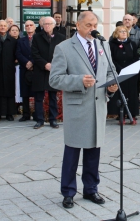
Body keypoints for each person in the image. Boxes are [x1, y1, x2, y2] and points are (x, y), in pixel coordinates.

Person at [49, 11, 117, 209]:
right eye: (88, 25)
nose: (92, 29)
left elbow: (111, 70)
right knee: (72, 152)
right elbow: (54, 79)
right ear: (78, 25)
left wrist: (112, 85)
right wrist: (78, 80)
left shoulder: (103, 44)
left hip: (98, 106)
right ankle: (68, 192)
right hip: (77, 107)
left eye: (95, 24)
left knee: (94, 151)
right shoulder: (64, 48)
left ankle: (91, 189)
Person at [31, 17, 65, 129]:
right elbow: (34, 53)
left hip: (54, 70)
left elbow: (63, 54)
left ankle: (53, 119)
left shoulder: (60, 37)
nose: (47, 26)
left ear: (54, 25)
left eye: (49, 24)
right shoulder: (36, 37)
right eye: (45, 24)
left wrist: (53, 65)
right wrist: (45, 64)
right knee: (39, 97)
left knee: (53, 96)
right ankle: (39, 120)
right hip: (40, 70)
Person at [107, 26, 139, 124]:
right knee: (121, 93)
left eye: (125, 31)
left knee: (132, 94)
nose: (124, 33)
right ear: (116, 33)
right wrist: (119, 68)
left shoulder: (132, 43)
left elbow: (135, 57)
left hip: (130, 73)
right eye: (121, 31)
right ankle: (121, 116)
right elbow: (111, 59)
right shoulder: (112, 44)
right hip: (118, 72)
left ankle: (132, 115)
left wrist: (131, 68)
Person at [0, 20, 17, 121]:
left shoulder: (13, 41)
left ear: (7, 28)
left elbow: (16, 54)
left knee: (9, 91)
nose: (2, 27)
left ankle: (9, 113)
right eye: (0, 26)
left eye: (4, 26)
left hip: (9, 69)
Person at [16, 20, 35, 121]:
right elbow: (18, 53)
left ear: (34, 27)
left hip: (36, 69)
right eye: (27, 25)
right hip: (24, 68)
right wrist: (26, 63)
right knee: (25, 92)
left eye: (31, 25)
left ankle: (37, 113)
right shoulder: (21, 40)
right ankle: (26, 114)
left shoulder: (38, 39)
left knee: (36, 92)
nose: (29, 27)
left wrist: (32, 62)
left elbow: (39, 52)